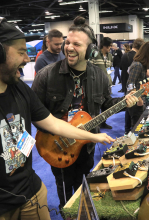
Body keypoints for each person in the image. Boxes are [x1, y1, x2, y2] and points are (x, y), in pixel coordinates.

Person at [0, 17, 118, 220]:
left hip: (32, 195)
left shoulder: (20, 89)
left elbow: (52, 123)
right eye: (21, 52)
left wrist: (95, 137)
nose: (27, 59)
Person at [31, 16, 138, 209]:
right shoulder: (47, 75)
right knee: (64, 190)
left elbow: (106, 104)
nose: (69, 48)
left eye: (77, 44)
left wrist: (125, 102)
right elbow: (35, 114)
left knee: (83, 188)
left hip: (87, 145)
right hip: (56, 146)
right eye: (68, 42)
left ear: (89, 51)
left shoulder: (99, 75)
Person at [125, 42, 149, 134]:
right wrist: (139, 100)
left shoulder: (141, 65)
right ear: (146, 54)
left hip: (138, 100)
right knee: (136, 127)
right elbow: (130, 84)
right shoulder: (137, 65)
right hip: (135, 102)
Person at [90, 36, 113, 129]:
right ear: (104, 46)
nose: (110, 48)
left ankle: (103, 122)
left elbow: (109, 67)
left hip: (107, 84)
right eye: (109, 46)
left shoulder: (110, 56)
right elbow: (89, 67)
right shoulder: (94, 54)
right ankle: (94, 125)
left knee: (106, 104)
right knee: (96, 105)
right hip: (96, 84)